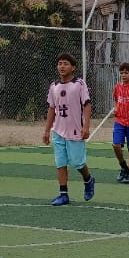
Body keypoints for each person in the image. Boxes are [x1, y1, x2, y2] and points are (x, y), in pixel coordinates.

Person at [43, 53, 95, 205]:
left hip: (75, 131)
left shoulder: (79, 84)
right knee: (60, 162)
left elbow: (87, 105)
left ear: (73, 67)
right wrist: (46, 130)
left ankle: (88, 179)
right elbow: (51, 108)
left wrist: (86, 126)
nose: (62, 66)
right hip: (58, 131)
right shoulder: (54, 86)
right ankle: (63, 194)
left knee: (78, 162)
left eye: (65, 63)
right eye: (60, 63)